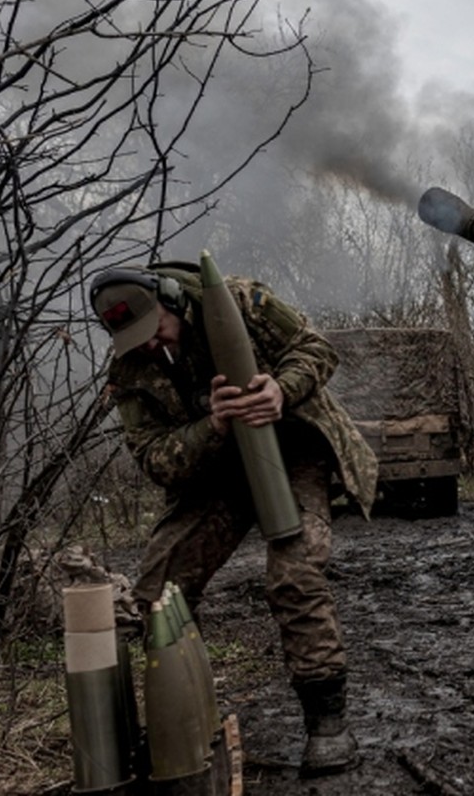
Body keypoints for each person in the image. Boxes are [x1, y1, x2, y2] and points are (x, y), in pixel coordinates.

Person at [89, 262, 378, 777]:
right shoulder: (131, 373)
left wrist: (280, 390)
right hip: (216, 470)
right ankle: (181, 724)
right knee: (158, 588)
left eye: (155, 330)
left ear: (171, 299)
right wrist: (213, 424)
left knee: (295, 573)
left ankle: (327, 723)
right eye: (137, 340)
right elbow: (156, 459)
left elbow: (318, 350)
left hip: (290, 452)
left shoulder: (243, 303)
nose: (151, 346)